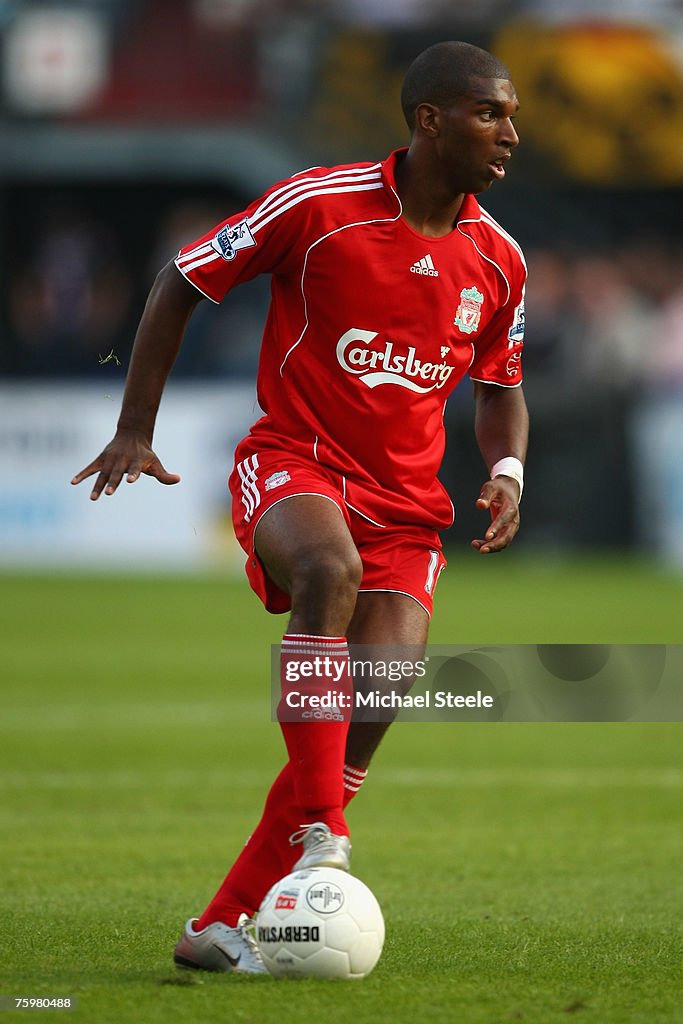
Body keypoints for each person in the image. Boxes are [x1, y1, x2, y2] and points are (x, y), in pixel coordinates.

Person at [72, 40, 529, 974]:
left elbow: (499, 384)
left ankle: (220, 921)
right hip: (294, 464)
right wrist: (135, 427)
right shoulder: (319, 205)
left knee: (377, 696)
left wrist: (508, 468)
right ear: (428, 119)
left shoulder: (500, 259)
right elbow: (180, 281)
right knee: (327, 570)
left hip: (409, 509)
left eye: (511, 114)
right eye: (489, 113)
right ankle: (327, 832)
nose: (509, 132)